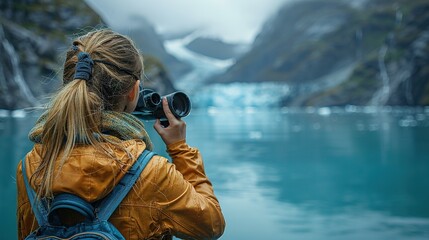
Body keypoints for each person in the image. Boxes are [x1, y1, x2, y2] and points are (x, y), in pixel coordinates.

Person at [16, 29, 225, 240]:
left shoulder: (30, 166)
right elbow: (211, 225)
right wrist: (180, 149)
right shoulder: (152, 172)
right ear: (133, 91)